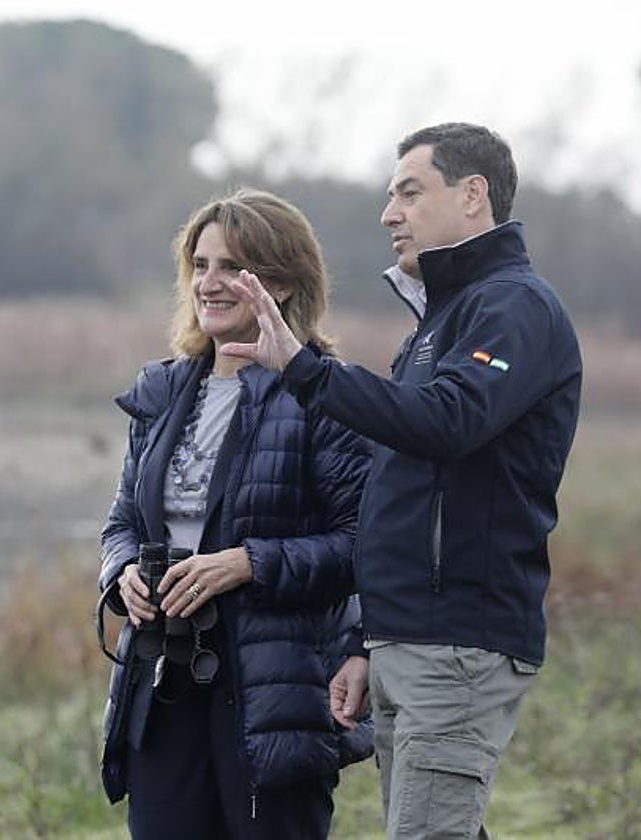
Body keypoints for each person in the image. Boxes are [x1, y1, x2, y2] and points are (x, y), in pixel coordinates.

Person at [220, 123, 583, 838]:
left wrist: (305, 370)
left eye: (410, 193)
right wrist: (366, 643)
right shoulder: (439, 320)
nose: (390, 213)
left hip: (457, 642)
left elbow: (448, 419)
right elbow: (405, 487)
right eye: (391, 196)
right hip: (409, 639)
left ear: (473, 195)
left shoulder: (513, 308)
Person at [97, 188, 373, 839]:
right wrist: (122, 574)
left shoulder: (323, 396)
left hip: (272, 689)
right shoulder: (162, 391)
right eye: (200, 265)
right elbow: (121, 524)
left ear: (278, 282)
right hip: (162, 679)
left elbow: (363, 546)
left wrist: (249, 564)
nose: (210, 283)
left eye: (231, 267)